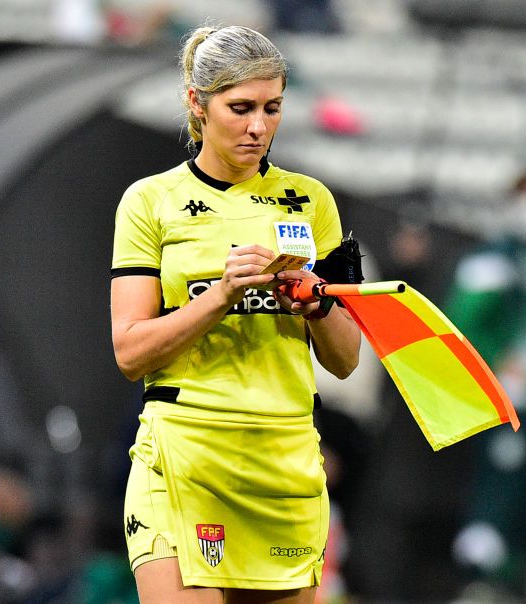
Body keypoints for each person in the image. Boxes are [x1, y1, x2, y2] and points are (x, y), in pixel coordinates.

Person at [110, 24, 361, 604]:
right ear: (197, 104)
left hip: (283, 464)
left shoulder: (312, 201)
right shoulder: (149, 202)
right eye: (240, 107)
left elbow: (346, 360)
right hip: (183, 457)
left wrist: (315, 303)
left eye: (273, 108)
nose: (258, 127)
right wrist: (218, 297)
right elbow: (129, 351)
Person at [446, 169, 526, 599]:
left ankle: (509, 579)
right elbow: (459, 326)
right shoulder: (492, 259)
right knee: (495, 490)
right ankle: (477, 580)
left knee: (521, 494)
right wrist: (498, 362)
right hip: (499, 399)